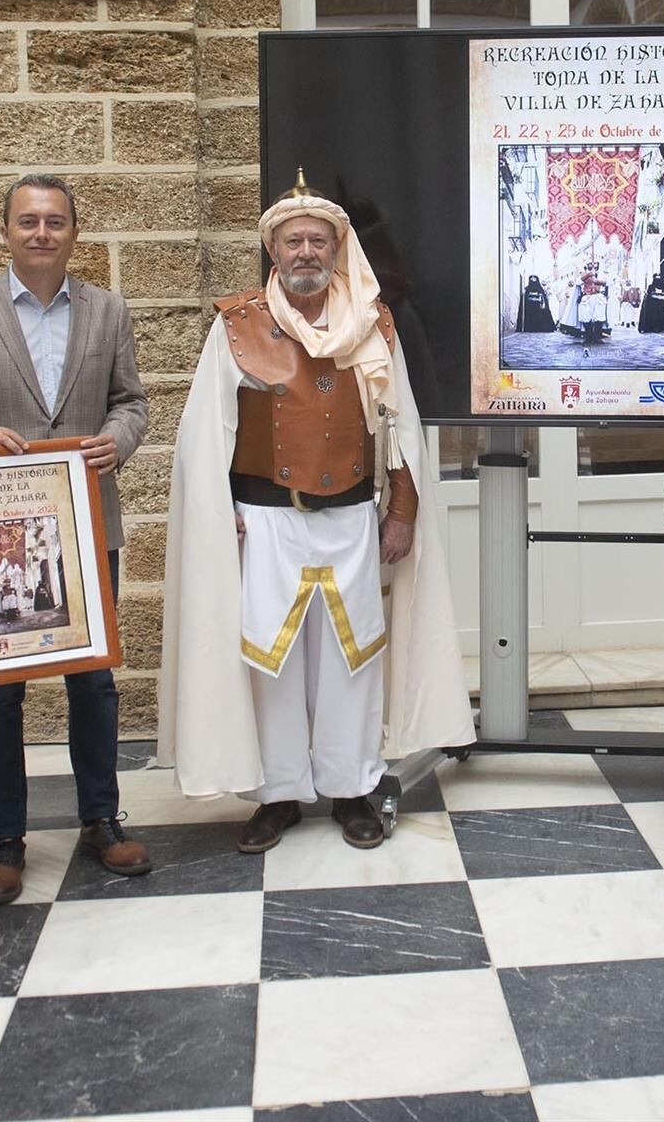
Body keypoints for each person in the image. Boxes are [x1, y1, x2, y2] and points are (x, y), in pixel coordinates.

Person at [156, 174, 474, 851]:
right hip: (266, 520)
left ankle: (352, 787)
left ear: (337, 248)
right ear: (273, 252)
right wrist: (219, 514)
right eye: (293, 240)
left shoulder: (373, 321)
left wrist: (404, 511)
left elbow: (403, 427)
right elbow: (204, 433)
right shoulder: (238, 325)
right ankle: (278, 796)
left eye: (318, 240)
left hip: (353, 517)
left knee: (350, 658)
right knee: (271, 663)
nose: (306, 251)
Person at [0, 174, 153, 906]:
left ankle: (101, 819)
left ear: (75, 233)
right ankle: (5, 839)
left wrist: (119, 439)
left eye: (55, 222)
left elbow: (130, 401)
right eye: (28, 222)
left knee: (94, 683)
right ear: (6, 233)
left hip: (84, 524)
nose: (42, 233)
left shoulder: (107, 311)